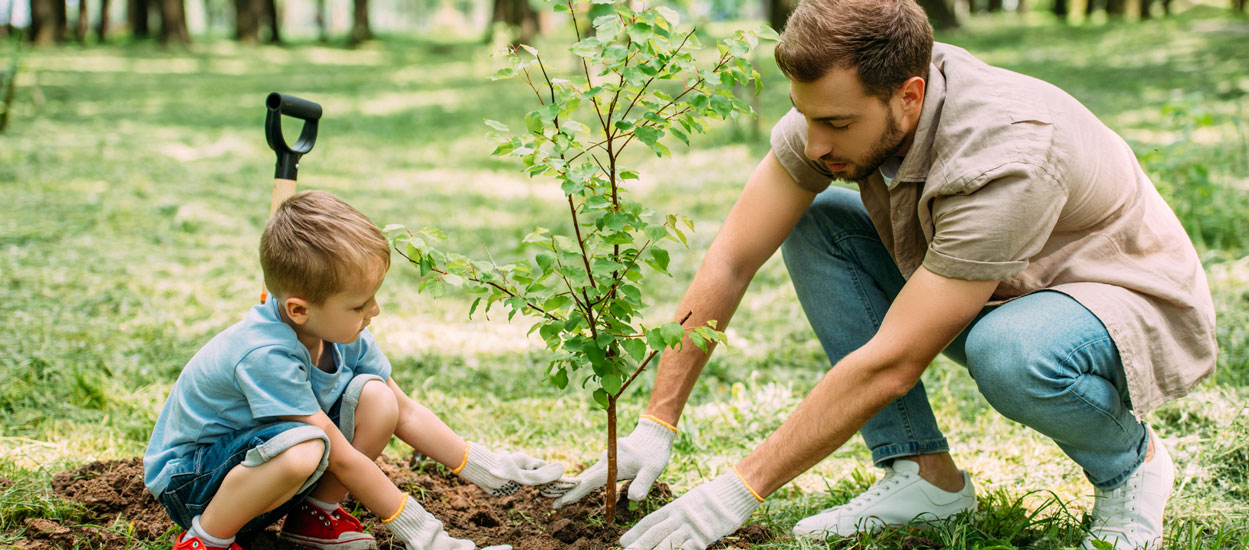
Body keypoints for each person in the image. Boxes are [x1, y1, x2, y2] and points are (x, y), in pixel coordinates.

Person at [553, 0, 1218, 549]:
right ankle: (923, 477)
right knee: (817, 221)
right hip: (997, 281)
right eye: (807, 115)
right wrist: (654, 425)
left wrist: (735, 492)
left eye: (836, 123)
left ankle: (1130, 468)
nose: (814, 144)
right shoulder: (837, 113)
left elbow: (892, 362)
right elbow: (731, 256)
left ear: (909, 95)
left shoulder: (1005, 154)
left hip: (1113, 295)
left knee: (1010, 351)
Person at [143, 191, 569, 550]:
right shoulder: (264, 353)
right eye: (360, 304)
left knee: (377, 399)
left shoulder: (340, 331)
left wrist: (485, 467)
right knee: (306, 447)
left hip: (259, 468)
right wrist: (426, 535)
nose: (375, 311)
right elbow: (342, 459)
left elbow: (405, 411)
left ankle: (313, 518)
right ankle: (205, 540)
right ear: (298, 309)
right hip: (194, 483)